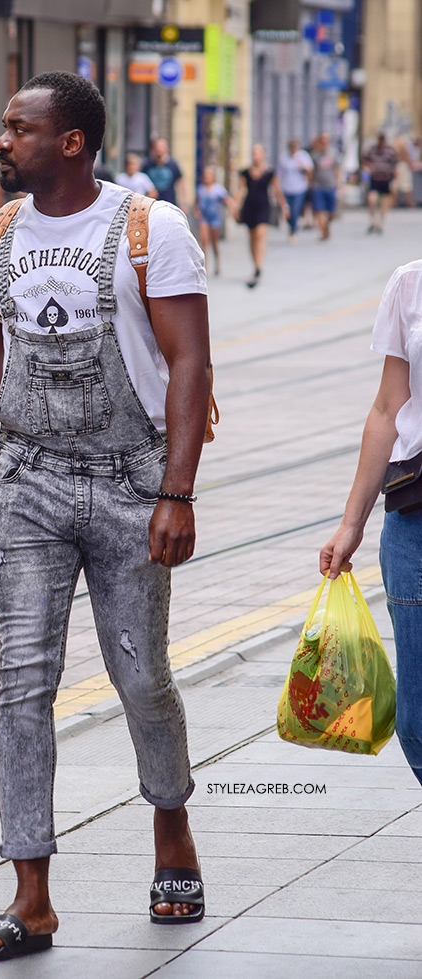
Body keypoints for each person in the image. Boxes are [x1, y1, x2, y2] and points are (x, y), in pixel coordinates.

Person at [0, 70, 211, 962]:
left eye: (19, 129)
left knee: (140, 675)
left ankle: (171, 827)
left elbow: (190, 364)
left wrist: (176, 490)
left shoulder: (148, 230)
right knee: (21, 680)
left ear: (71, 142)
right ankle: (30, 892)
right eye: (5, 129)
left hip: (132, 481)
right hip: (31, 479)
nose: (2, 142)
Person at [320, 259, 422, 788]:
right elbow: (388, 408)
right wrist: (351, 523)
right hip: (415, 523)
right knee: (416, 721)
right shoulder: (409, 284)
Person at [237, 144, 288, 288]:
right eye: (253, 153)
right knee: (252, 236)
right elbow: (240, 190)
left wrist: (284, 206)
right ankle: (255, 265)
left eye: (258, 153)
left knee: (260, 234)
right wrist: (236, 205)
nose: (255, 156)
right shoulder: (245, 172)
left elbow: (277, 190)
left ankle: (259, 266)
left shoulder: (270, 172)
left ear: (264, 155)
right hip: (249, 207)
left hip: (264, 206)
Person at [194, 166, 236, 275]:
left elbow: (228, 200)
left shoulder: (218, 189)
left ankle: (217, 263)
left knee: (214, 242)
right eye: (205, 175)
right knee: (203, 240)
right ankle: (204, 265)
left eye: (209, 175)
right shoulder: (200, 189)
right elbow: (196, 202)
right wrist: (197, 211)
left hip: (214, 218)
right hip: (204, 217)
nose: (207, 177)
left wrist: (233, 210)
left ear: (213, 177)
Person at [276, 139, 313, 242]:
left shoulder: (303, 156)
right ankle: (291, 226)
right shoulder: (283, 157)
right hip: (286, 187)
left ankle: (293, 230)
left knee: (296, 209)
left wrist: (303, 167)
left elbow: (310, 170)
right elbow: (279, 174)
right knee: (288, 211)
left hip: (299, 187)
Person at [362, 133, 398, 233]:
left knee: (384, 202)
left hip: (386, 179)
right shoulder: (372, 150)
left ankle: (380, 223)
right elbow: (364, 160)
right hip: (375, 179)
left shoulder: (390, 151)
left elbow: (395, 166)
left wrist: (395, 181)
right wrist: (369, 167)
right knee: (371, 200)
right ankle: (372, 220)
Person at [310, 132, 341, 241]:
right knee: (319, 210)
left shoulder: (333, 153)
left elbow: (338, 168)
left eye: (326, 140)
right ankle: (323, 232)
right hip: (318, 186)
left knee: (332, 212)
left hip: (331, 185)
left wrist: (339, 183)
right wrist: (310, 183)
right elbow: (311, 170)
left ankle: (326, 225)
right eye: (322, 140)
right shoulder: (315, 154)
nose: (324, 142)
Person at [142, 138, 188, 209]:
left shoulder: (173, 165)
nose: (159, 150)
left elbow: (181, 183)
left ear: (166, 149)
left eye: (161, 148)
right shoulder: (147, 165)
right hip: (151, 204)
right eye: (157, 148)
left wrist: (183, 203)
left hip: (169, 204)